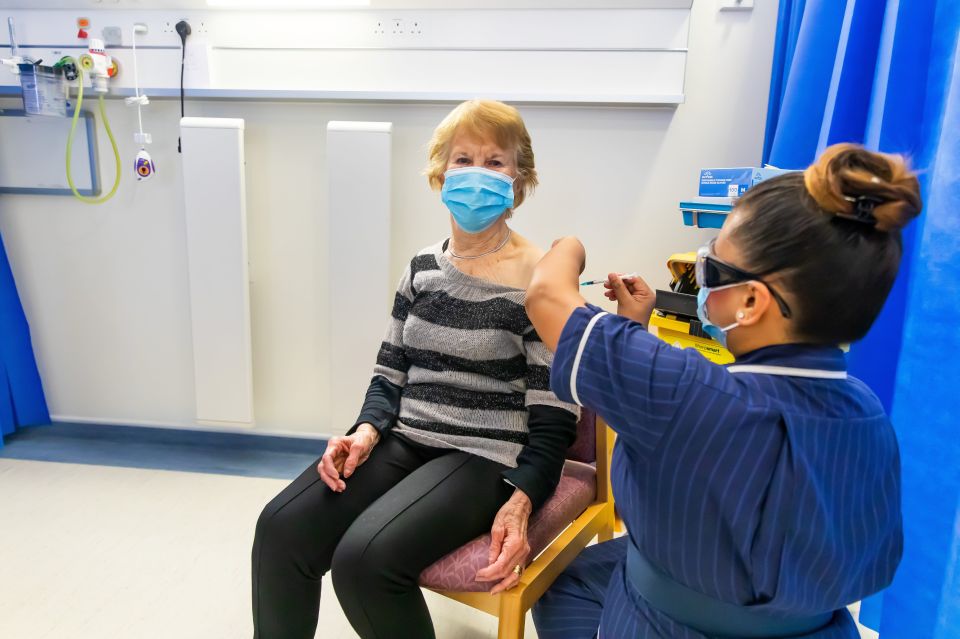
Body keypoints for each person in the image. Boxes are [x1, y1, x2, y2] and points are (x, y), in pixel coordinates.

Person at [525, 144, 919, 638]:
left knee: (563, 582)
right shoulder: (867, 411)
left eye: (710, 271)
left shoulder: (684, 391)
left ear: (752, 300)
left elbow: (545, 296)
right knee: (584, 574)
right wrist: (636, 329)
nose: (699, 284)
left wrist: (569, 243)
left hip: (667, 623)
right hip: (814, 620)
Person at [251, 100, 579, 639]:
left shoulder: (539, 278)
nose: (477, 173)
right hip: (406, 439)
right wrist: (364, 431)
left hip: (484, 454)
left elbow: (554, 414)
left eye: (495, 162)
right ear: (439, 173)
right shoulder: (423, 266)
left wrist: (523, 500)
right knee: (282, 528)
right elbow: (390, 370)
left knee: (365, 563)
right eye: (463, 158)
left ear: (520, 179)